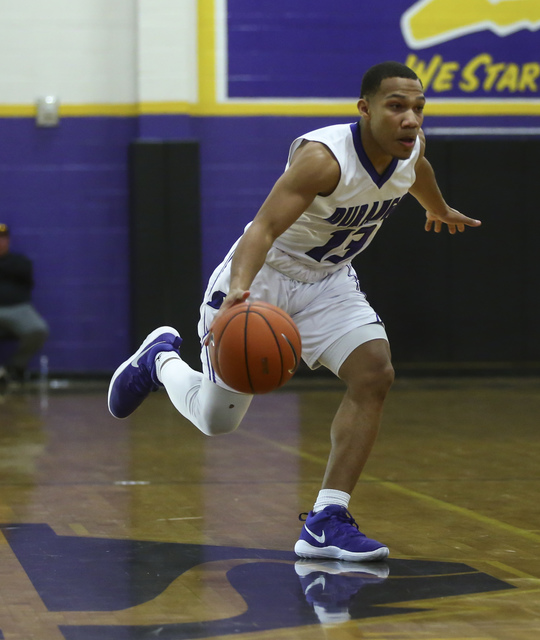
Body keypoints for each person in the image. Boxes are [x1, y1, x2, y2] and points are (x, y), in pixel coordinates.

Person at [108, 61, 481, 561]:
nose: (410, 119)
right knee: (218, 422)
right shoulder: (323, 159)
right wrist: (239, 292)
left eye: (418, 108)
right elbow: (261, 230)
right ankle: (160, 360)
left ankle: (327, 519)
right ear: (365, 109)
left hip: (328, 282)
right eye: (396, 107)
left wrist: (435, 206)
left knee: (375, 372)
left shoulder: (409, 148)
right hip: (264, 277)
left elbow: (417, 173)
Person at [0, 223, 49, 384]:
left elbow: (24, 273)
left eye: (3, 238)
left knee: (38, 329)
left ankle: (15, 368)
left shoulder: (20, 261)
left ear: (8, 240)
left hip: (18, 308)